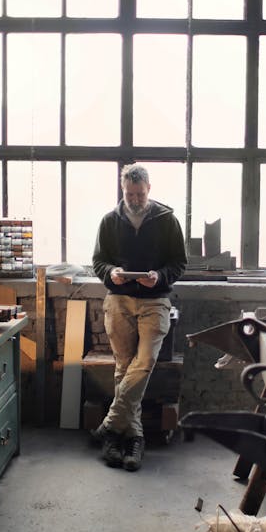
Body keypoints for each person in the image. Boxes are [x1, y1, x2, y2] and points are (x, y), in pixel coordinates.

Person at [91, 163, 187, 471]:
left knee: (143, 363)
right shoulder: (109, 221)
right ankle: (131, 438)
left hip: (155, 301)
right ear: (123, 190)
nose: (134, 198)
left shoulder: (167, 220)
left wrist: (158, 277)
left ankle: (110, 425)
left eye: (140, 193)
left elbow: (179, 263)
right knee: (123, 367)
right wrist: (112, 273)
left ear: (149, 189)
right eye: (129, 193)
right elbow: (98, 261)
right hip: (118, 299)